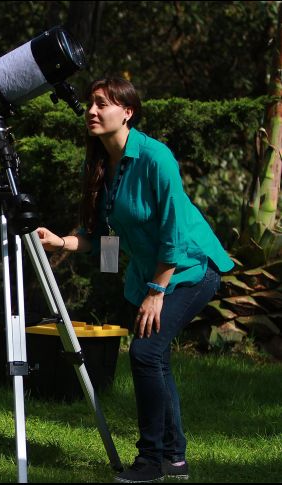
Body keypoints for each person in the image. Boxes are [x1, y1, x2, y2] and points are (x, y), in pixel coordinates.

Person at [36, 77, 233, 483]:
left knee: (144, 354)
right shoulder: (99, 163)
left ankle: (149, 461)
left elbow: (172, 232)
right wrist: (63, 242)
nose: (92, 111)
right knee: (154, 358)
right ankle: (174, 460)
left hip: (191, 269)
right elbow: (106, 233)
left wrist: (157, 292)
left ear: (127, 112)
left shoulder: (155, 158)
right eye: (90, 104)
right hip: (150, 275)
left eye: (103, 104)